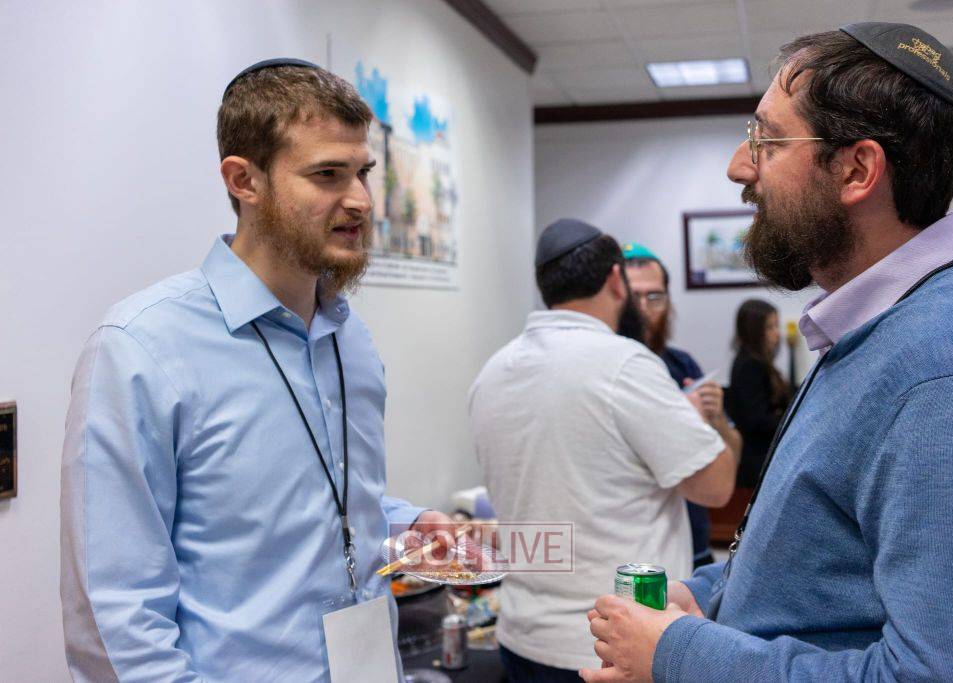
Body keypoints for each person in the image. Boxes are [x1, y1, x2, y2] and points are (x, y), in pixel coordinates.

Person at [583, 22, 953, 682]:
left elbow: (948, 674)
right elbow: (820, 555)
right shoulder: (886, 323)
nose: (740, 165)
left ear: (856, 170)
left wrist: (679, 652)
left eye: (767, 139)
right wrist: (707, 597)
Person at [60, 59, 455, 681]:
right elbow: (115, 619)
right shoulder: (141, 348)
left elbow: (314, 500)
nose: (360, 201)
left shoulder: (349, 336)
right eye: (327, 174)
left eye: (363, 173)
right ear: (244, 180)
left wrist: (402, 521)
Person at [469, 219, 737, 681]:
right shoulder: (625, 364)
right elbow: (715, 487)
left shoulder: (493, 371)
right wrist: (691, 417)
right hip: (610, 643)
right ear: (616, 280)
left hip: (521, 634)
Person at [622, 242, 742, 568]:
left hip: (692, 542)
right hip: (632, 549)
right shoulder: (605, 369)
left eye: (654, 297)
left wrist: (715, 419)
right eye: (634, 297)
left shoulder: (682, 364)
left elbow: (732, 455)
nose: (644, 308)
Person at [726, 299, 793, 488]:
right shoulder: (750, 366)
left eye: (776, 326)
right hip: (757, 460)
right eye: (770, 327)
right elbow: (756, 420)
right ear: (754, 331)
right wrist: (790, 418)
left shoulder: (759, 363)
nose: (777, 333)